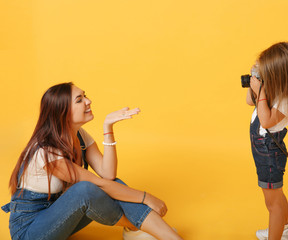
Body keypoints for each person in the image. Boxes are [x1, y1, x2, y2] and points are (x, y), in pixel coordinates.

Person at [1, 82, 183, 240]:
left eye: (85, 96)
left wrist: (107, 127)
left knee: (113, 185)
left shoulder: (78, 135)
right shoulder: (46, 151)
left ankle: (167, 236)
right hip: (30, 232)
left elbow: (108, 175)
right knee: (85, 189)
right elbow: (97, 185)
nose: (88, 101)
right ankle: (139, 226)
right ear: (62, 112)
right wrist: (146, 198)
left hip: (60, 221)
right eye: (79, 100)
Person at [246, 42, 288, 240]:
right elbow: (250, 101)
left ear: (280, 73)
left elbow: (265, 121)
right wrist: (255, 81)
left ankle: (277, 236)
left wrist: (261, 90)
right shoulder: (274, 88)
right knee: (277, 196)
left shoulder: (286, 98)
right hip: (263, 150)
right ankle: (282, 230)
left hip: (269, 151)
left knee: (272, 203)